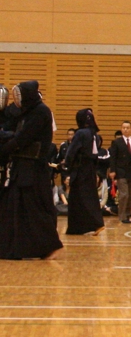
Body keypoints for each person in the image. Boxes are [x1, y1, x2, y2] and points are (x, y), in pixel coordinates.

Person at [0, 81, 64, 260]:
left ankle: (51, 247)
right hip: (22, 168)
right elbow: (12, 131)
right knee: (15, 208)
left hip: (33, 169)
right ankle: (16, 248)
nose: (17, 99)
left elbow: (22, 139)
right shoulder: (27, 112)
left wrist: (3, 150)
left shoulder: (40, 112)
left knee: (34, 208)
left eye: (20, 95)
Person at [64, 109, 105, 236]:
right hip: (90, 170)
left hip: (80, 170)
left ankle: (94, 224)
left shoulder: (81, 133)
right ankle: (81, 227)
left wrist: (66, 164)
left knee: (79, 198)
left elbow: (72, 151)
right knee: (88, 196)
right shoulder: (95, 134)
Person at [108, 120, 131, 224]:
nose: (125, 129)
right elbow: (113, 158)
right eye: (124, 128)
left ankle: (127, 215)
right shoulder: (117, 142)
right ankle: (122, 216)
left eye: (127, 128)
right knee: (124, 194)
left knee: (130, 195)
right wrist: (112, 170)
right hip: (121, 172)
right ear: (121, 129)